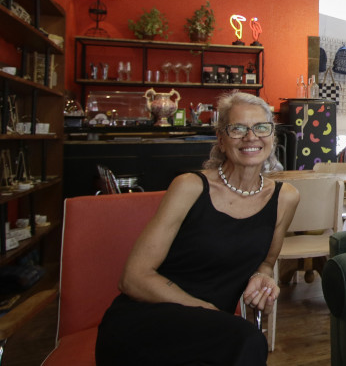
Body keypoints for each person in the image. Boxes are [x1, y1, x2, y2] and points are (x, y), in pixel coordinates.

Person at [96, 91, 299, 365]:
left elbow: (265, 263)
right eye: (238, 128)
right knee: (249, 340)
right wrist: (207, 311)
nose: (251, 137)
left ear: (272, 135)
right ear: (221, 138)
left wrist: (263, 279)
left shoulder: (285, 198)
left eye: (261, 127)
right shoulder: (189, 187)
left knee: (243, 341)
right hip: (147, 320)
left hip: (216, 330)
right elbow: (133, 278)